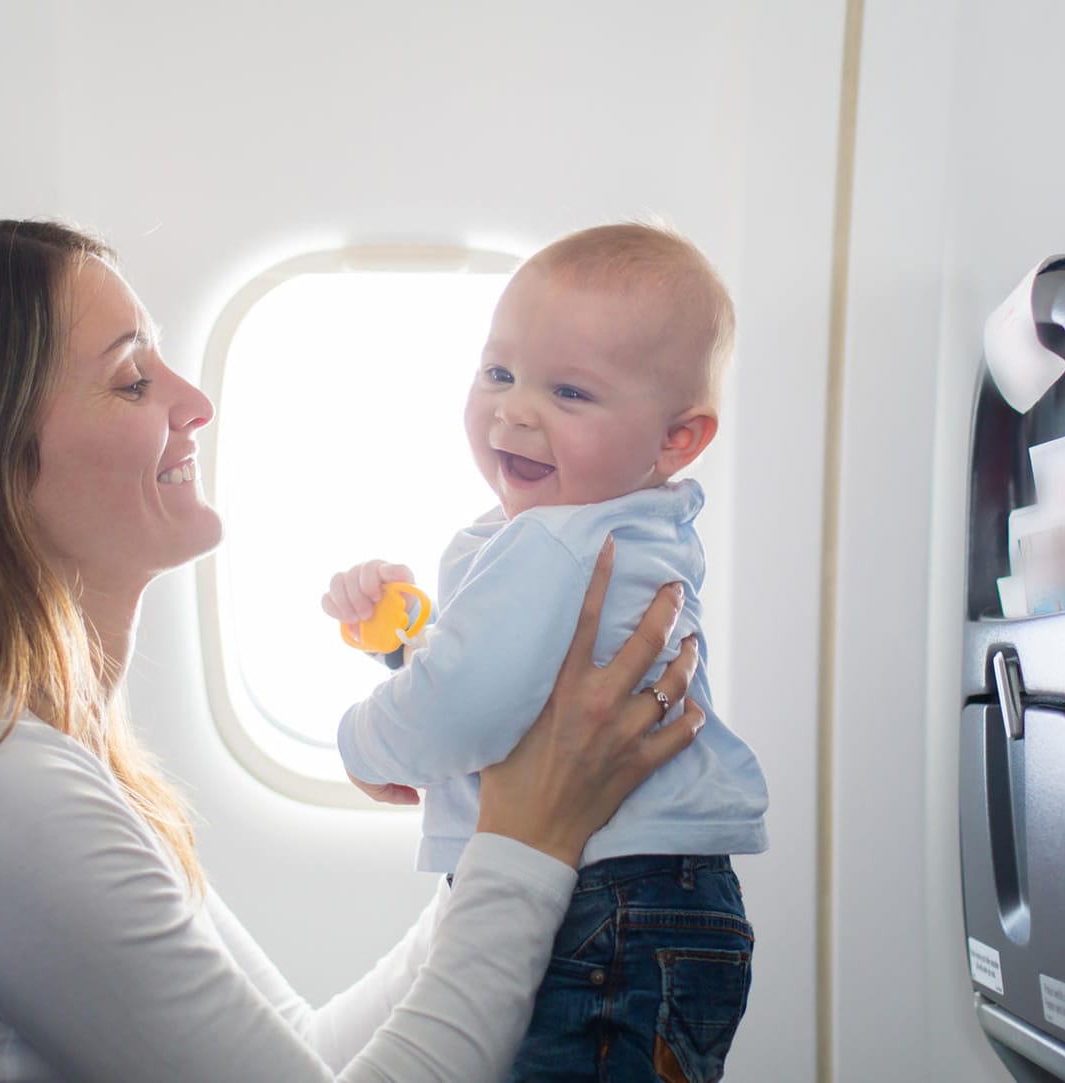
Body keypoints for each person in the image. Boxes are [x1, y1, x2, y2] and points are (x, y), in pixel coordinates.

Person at [0, 219, 706, 1082]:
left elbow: (304, 1050)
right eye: (133, 380)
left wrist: (523, 815)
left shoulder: (55, 761)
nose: (194, 400)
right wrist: (526, 837)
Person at [321, 223, 769, 1081]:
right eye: (499, 372)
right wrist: (403, 641)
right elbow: (512, 683)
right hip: (653, 905)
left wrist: (362, 741)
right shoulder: (612, 529)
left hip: (604, 909)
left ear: (677, 438)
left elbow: (467, 707)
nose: (514, 409)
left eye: (568, 391)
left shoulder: (556, 545)